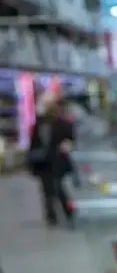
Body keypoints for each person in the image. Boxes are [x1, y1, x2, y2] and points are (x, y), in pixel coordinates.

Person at [27, 94, 76, 227]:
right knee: (46, 190)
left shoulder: (61, 122)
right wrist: (31, 161)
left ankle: (67, 211)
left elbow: (70, 137)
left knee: (58, 187)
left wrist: (67, 144)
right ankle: (51, 215)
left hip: (57, 161)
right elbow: (34, 143)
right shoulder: (39, 123)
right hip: (43, 163)